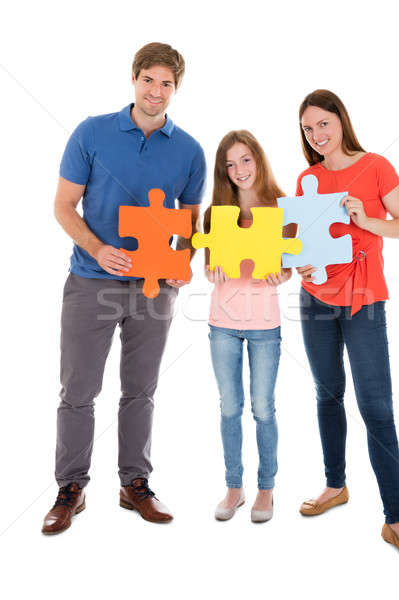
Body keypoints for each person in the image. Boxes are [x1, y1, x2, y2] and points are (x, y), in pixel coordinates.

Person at [42, 42, 206, 535]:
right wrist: (98, 250)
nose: (156, 91)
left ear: (177, 89)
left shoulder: (190, 150)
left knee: (141, 391)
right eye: (149, 80)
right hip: (91, 282)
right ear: (134, 79)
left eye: (167, 84)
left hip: (155, 289)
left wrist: (184, 263)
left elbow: (191, 222)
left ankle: (135, 483)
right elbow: (64, 206)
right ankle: (71, 488)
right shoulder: (92, 132)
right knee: (78, 390)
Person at [295, 89, 399, 559]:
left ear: (340, 121)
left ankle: (397, 520)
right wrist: (302, 267)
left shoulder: (375, 166)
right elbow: (301, 248)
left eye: (323, 125)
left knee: (377, 407)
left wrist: (367, 218)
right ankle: (336, 486)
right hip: (315, 301)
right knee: (327, 394)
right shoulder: (307, 177)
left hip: (364, 300)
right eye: (308, 129)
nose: (317, 135)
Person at [204, 131, 294, 523]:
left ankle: (267, 491)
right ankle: (233, 488)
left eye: (245, 160)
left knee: (262, 408)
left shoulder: (282, 208)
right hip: (222, 322)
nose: (238, 169)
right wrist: (211, 270)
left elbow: (290, 265)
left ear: (258, 160)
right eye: (229, 163)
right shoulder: (216, 213)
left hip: (264, 325)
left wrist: (282, 276)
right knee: (229, 408)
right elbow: (208, 268)